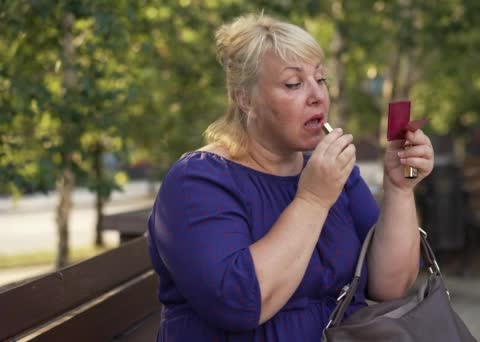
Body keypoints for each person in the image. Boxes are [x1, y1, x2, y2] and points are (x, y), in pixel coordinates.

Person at [147, 13, 435, 341]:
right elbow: (240, 303)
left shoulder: (333, 173)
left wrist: (400, 187)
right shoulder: (197, 182)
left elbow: (391, 286)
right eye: (293, 84)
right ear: (245, 99)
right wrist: (312, 200)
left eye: (320, 79)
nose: (317, 96)